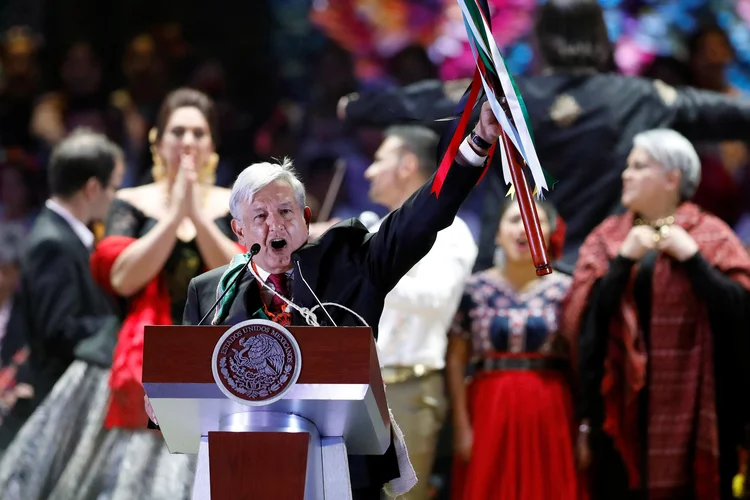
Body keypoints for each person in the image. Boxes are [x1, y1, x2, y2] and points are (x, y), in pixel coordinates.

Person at [181, 100, 500, 499]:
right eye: (259, 216)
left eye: (285, 211)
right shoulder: (211, 292)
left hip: (343, 467)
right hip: (244, 468)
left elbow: (422, 216)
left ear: (306, 218)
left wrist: (477, 144)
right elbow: (190, 386)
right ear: (239, 231)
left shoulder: (351, 261)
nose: (274, 224)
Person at [338, 0, 750, 274]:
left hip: (512, 277)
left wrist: (354, 107)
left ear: (540, 38)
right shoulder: (640, 98)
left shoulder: (508, 98)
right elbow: (725, 114)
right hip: (600, 275)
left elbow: (430, 101)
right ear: (599, 38)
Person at [0, 88, 241, 500]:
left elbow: (240, 283)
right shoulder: (130, 202)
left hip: (210, 363)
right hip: (131, 360)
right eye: (176, 131)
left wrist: (196, 215)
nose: (187, 142)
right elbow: (123, 279)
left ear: (212, 145)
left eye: (198, 133)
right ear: (157, 140)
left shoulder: (232, 202)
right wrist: (172, 217)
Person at [562, 129, 750, 499]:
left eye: (638, 166)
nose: (625, 175)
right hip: (618, 409)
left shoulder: (712, 236)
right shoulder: (607, 238)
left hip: (701, 410)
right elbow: (582, 320)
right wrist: (622, 264)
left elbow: (740, 313)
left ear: (672, 178)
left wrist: (694, 260)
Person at [361, 125, 477, 499]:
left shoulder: (452, 231)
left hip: (409, 388)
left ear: (407, 165)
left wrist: (362, 266)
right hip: (360, 388)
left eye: (379, 159)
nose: (368, 171)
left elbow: (435, 298)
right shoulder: (376, 228)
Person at [446, 199, 583, 500]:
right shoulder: (474, 290)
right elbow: (456, 361)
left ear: (550, 233)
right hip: (487, 409)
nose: (524, 228)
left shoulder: (566, 290)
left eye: (536, 220)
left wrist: (583, 427)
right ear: (496, 234)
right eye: (513, 220)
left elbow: (581, 363)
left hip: (550, 410)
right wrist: (460, 424)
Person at [0, 130, 124, 454]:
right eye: (113, 188)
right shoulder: (53, 243)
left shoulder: (61, 235)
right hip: (54, 398)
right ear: (92, 188)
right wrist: (122, 327)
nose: (115, 197)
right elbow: (58, 330)